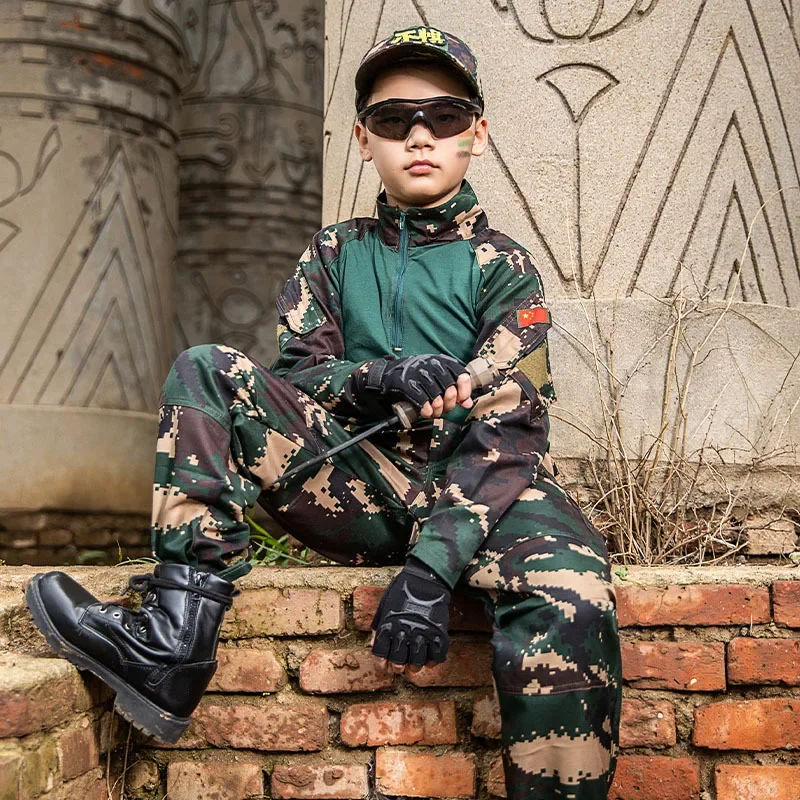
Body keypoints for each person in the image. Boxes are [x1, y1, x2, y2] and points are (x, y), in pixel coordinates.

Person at [26, 25, 622, 799]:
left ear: (477, 132)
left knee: (573, 584)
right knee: (205, 369)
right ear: (361, 138)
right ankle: (172, 646)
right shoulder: (333, 254)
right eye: (392, 118)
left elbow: (512, 421)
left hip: (483, 494)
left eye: (443, 117)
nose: (418, 134)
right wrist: (380, 376)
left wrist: (431, 571)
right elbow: (299, 376)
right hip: (356, 484)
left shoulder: (503, 268)